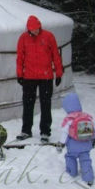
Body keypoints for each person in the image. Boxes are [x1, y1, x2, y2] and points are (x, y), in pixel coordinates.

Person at [16, 15, 63, 143]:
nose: (35, 31)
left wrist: (59, 73)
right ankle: (26, 130)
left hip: (46, 77)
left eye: (37, 28)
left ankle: (45, 131)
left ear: (39, 26)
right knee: (28, 104)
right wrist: (20, 74)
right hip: (29, 77)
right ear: (28, 29)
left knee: (46, 104)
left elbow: (56, 56)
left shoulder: (48, 36)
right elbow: (20, 58)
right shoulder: (23, 38)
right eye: (32, 29)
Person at [56, 93, 95, 186]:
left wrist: (61, 144)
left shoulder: (69, 119)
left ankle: (71, 172)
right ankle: (88, 178)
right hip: (86, 146)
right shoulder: (87, 117)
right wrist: (93, 140)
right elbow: (94, 130)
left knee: (70, 157)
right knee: (85, 160)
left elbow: (64, 133)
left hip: (73, 146)